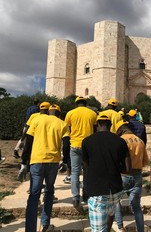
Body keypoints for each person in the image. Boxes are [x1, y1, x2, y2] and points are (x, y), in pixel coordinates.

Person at [18, 104, 70, 232]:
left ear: (49, 111)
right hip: (53, 162)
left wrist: (24, 162)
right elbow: (66, 144)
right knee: (49, 191)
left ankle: (30, 229)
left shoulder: (37, 120)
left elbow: (28, 142)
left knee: (34, 194)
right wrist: (65, 161)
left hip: (37, 160)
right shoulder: (62, 124)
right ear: (59, 113)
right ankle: (45, 225)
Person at [82, 114, 131, 232]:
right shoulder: (120, 141)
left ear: (98, 125)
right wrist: (113, 168)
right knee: (109, 216)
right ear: (110, 126)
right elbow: (128, 168)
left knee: (98, 229)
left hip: (97, 190)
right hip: (115, 189)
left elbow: (86, 165)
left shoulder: (87, 141)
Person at [114, 120, 149, 232]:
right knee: (137, 207)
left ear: (120, 130)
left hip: (123, 175)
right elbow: (145, 161)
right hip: (137, 176)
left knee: (116, 201)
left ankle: (120, 226)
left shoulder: (120, 141)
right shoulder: (140, 141)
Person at [64, 96, 97, 208]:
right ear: (85, 103)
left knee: (75, 172)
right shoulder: (92, 113)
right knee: (87, 171)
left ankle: (75, 197)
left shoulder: (70, 113)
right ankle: (86, 195)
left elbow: (67, 129)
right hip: (88, 145)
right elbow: (95, 128)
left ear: (76, 103)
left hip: (74, 145)